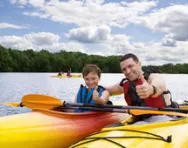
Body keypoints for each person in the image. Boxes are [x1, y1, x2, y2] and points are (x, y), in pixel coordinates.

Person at [106, 53, 178, 123]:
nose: (127, 71)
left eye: (130, 66)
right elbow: (107, 90)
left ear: (139, 64)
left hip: (163, 119)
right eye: (124, 69)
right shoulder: (125, 84)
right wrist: (98, 93)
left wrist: (151, 89)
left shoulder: (152, 77)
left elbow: (160, 84)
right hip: (140, 123)